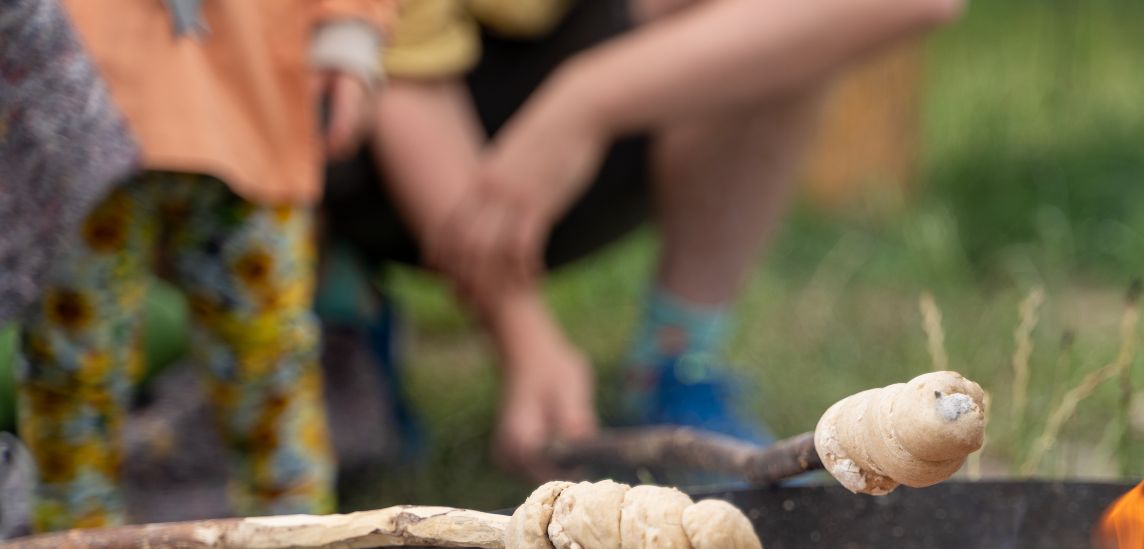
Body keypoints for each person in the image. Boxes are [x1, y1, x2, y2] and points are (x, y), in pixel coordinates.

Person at [0, 0, 394, 549]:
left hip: (248, 86)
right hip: (89, 79)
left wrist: (350, 31)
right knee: (75, 353)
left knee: (270, 355)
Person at [324, 0, 965, 477]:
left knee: (788, 26)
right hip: (370, 131)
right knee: (289, 42)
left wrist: (587, 102)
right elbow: (401, 61)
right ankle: (333, 309)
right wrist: (524, 336)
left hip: (568, 123)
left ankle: (676, 362)